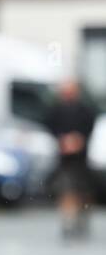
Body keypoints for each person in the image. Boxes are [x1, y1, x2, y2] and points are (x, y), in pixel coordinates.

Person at [45, 79, 97, 238]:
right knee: (66, 190)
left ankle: (81, 219)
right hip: (64, 160)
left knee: (83, 192)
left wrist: (79, 140)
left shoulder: (85, 110)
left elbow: (89, 129)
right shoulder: (56, 110)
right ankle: (68, 221)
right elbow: (50, 127)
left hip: (82, 159)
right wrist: (63, 140)